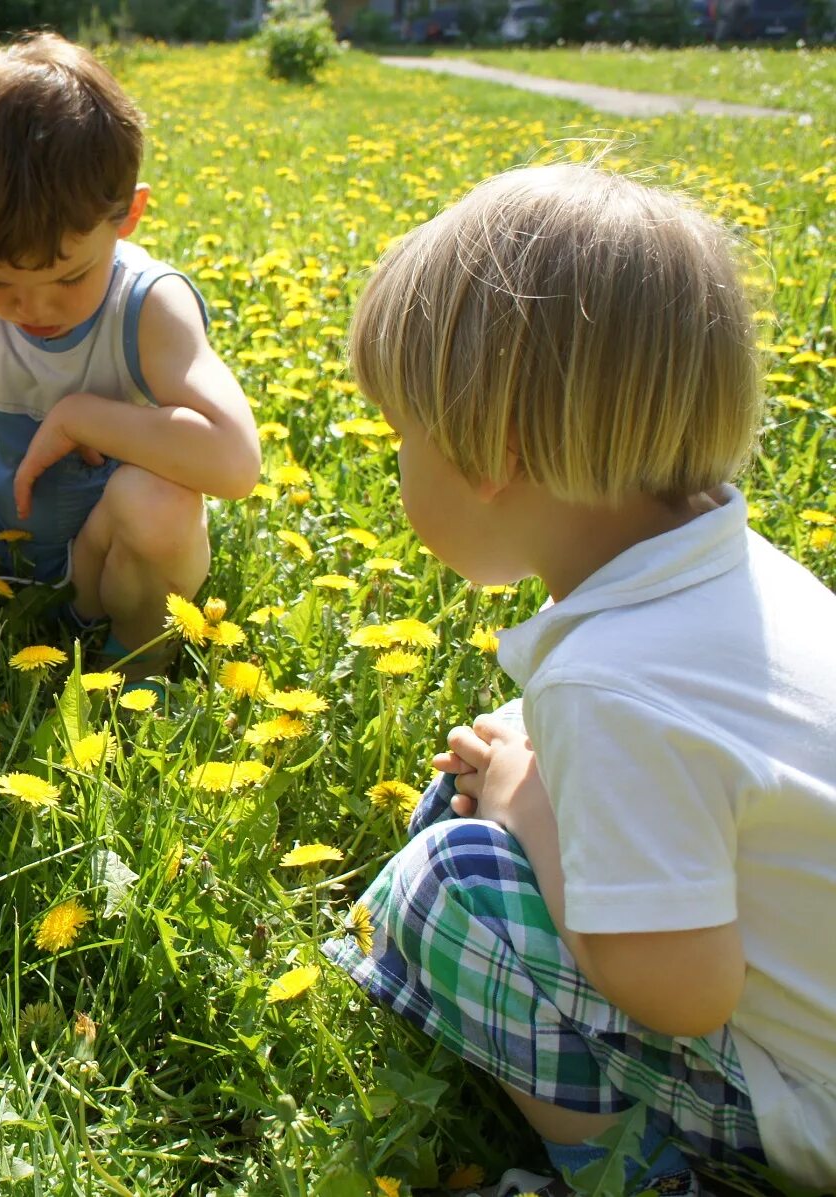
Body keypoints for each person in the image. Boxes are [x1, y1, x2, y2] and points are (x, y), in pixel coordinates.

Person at [324, 163, 836, 1195]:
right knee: (468, 794)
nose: (395, 464)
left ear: (491, 454)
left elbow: (681, 988)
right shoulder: (739, 575)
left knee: (445, 888)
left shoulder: (611, 684)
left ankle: (630, 1179)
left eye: (400, 435)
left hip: (808, 1104)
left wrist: (530, 803)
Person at [0, 33, 259, 674]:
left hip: (99, 562)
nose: (33, 308)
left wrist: (82, 417)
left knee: (164, 502)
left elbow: (235, 463)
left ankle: (131, 670)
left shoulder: (147, 305)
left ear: (128, 216)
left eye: (68, 279)